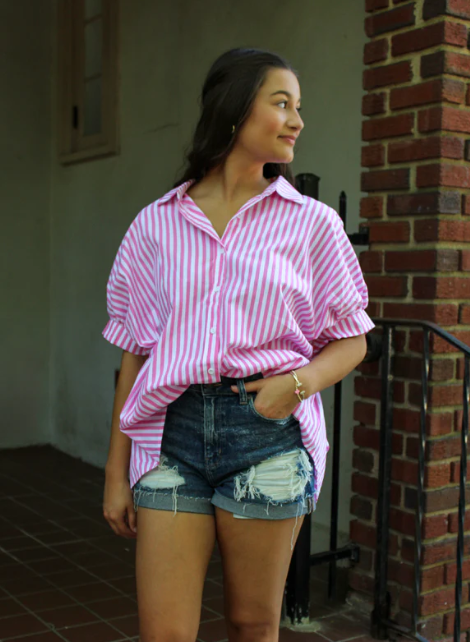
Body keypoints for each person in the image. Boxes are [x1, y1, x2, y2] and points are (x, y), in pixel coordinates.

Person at [102, 47, 375, 642]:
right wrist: (116, 473)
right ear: (233, 109)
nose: (298, 120)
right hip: (173, 435)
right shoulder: (156, 225)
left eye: (299, 107)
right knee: (164, 632)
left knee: (253, 625)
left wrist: (292, 387)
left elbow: (353, 342)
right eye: (282, 103)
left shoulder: (312, 225)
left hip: (266, 435)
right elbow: (134, 354)